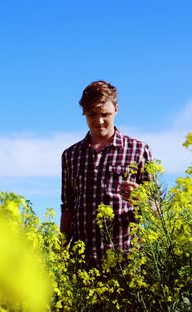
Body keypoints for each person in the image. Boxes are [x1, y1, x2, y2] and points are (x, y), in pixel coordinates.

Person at [60, 80, 156, 268]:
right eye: (91, 114)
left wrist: (142, 199)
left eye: (105, 114)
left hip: (125, 261)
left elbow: (157, 210)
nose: (99, 121)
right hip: (82, 263)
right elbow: (68, 208)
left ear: (116, 110)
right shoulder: (70, 155)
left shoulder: (138, 150)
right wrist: (61, 252)